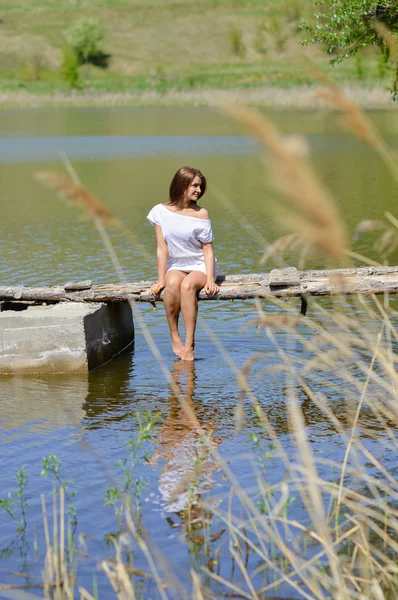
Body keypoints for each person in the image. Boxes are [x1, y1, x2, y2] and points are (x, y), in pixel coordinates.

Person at [147, 166, 219, 361]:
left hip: (200, 265)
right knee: (171, 284)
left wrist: (211, 279)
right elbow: (162, 248)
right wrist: (161, 279)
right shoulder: (159, 212)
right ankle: (174, 335)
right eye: (194, 185)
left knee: (187, 286)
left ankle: (190, 343)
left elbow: (207, 249)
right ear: (181, 184)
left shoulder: (201, 213)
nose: (199, 190)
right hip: (176, 264)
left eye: (200, 186)